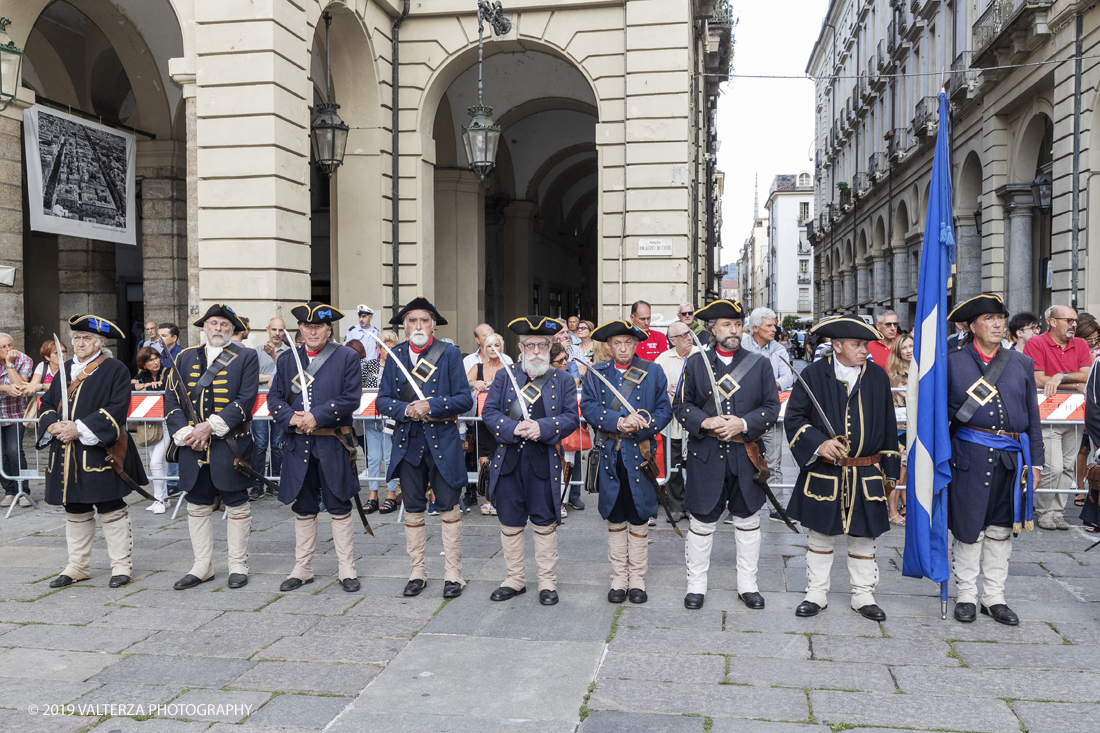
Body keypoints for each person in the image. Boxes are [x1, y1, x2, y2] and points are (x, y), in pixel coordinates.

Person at [784, 315, 901, 621]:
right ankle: (816, 593)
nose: (864, 350)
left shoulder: (877, 376)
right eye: (857, 344)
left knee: (864, 536)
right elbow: (795, 418)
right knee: (820, 536)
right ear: (836, 345)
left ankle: (863, 595)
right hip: (825, 472)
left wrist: (890, 472)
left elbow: (889, 426)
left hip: (866, 473)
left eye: (866, 344)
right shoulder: (812, 375)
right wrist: (818, 443)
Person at [673, 300, 780, 610]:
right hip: (706, 456)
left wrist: (743, 423)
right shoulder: (695, 363)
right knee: (702, 523)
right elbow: (681, 407)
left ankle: (748, 585)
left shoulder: (759, 364)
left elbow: (771, 408)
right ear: (712, 330)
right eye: (726, 325)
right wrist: (705, 422)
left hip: (745, 457)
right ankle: (697, 585)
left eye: (737, 324)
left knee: (747, 521)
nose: (734, 330)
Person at [947, 295, 1043, 625]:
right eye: (989, 319)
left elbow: (1032, 416)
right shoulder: (952, 361)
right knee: (968, 528)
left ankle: (993, 597)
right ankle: (966, 596)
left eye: (1001, 318)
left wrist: (1037, 463)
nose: (999, 324)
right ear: (972, 326)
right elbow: (941, 418)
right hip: (968, 457)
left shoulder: (1020, 363)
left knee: (1001, 529)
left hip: (1012, 461)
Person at [39, 315, 148, 588]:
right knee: (74, 508)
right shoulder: (64, 370)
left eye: (87, 338)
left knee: (111, 507)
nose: (80, 343)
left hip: (99, 450)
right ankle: (77, 566)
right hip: (64, 452)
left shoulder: (116, 370)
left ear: (101, 342)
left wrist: (78, 428)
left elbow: (116, 410)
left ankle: (120, 566)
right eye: (76, 338)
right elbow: (47, 404)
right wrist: (53, 425)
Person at [377, 297, 474, 599]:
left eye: (424, 320)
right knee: (414, 509)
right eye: (412, 321)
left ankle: (453, 574)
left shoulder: (449, 355)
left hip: (443, 441)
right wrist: (407, 410)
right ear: (404, 326)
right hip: (408, 443)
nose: (418, 325)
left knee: (448, 508)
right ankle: (417, 571)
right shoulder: (394, 356)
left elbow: (464, 399)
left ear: (433, 324)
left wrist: (431, 405)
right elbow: (382, 401)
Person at [269, 302, 364, 593]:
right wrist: (292, 418)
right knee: (304, 506)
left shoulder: (346, 356)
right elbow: (275, 399)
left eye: (319, 327)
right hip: (299, 444)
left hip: (332, 442)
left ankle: (346, 568)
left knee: (338, 505)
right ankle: (303, 568)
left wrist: (316, 416)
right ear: (300, 329)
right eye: (307, 327)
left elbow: (351, 399)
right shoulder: (287, 360)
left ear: (328, 329)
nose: (313, 331)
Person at [483, 317, 579, 605]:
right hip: (509, 458)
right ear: (521, 347)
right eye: (530, 345)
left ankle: (547, 581)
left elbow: (571, 417)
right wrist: (512, 428)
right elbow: (489, 412)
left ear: (550, 348)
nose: (536, 350)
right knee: (510, 522)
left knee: (544, 521)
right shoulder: (505, 375)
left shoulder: (561, 379)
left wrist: (543, 428)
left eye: (542, 345)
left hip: (543, 459)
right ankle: (514, 579)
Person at [165, 304, 259, 591]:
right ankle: (202, 565)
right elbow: (172, 400)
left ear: (233, 329)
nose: (218, 328)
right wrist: (187, 433)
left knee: (236, 503)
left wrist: (209, 426)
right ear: (204, 327)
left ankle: (237, 564)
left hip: (229, 445)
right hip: (193, 445)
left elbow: (245, 400)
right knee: (197, 503)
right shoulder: (184, 356)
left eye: (224, 325)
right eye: (213, 323)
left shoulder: (247, 357)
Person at [580, 320, 672, 605]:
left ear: (636, 345)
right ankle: (619, 578)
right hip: (611, 455)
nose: (623, 348)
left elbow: (664, 410)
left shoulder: (652, 371)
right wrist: (618, 422)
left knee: (639, 516)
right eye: (617, 343)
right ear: (609, 345)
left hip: (640, 457)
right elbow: (589, 408)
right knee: (616, 516)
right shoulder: (596, 373)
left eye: (628, 343)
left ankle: (638, 578)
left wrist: (640, 425)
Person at [1024, 304, 1091, 531]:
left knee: (1068, 467)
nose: (1074, 324)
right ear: (1052, 321)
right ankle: (1044, 512)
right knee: (1052, 467)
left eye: (1075, 321)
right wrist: (1073, 383)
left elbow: (1087, 375)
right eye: (1068, 320)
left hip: (1073, 416)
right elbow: (1039, 380)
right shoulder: (1036, 343)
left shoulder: (1080, 344)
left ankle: (1058, 513)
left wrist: (1060, 376)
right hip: (1045, 415)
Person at [740, 307, 796, 523]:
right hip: (744, 414)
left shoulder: (778, 350)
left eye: (775, 325)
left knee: (773, 461)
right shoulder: (742, 346)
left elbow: (788, 377)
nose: (775, 329)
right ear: (755, 328)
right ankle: (740, 505)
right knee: (742, 461)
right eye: (769, 325)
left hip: (770, 413)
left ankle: (777, 507)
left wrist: (772, 384)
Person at [655, 320, 700, 522]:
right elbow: (653, 387)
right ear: (672, 340)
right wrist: (666, 389)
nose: (689, 337)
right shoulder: (662, 360)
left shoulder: (701, 355)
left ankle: (693, 506)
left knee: (696, 466)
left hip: (697, 423)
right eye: (683, 335)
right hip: (672, 424)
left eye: (689, 333)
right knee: (673, 466)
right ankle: (675, 506)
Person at [468, 331, 508, 515]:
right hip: (483, 419)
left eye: (497, 345)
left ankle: (502, 497)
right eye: (490, 346)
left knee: (503, 456)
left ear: (502, 348)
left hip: (504, 418)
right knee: (484, 459)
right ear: (485, 348)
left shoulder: (509, 367)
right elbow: (463, 382)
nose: (493, 349)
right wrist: (474, 382)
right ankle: (488, 499)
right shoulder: (478, 367)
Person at [249, 317, 288, 500]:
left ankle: (273, 483)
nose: (277, 333)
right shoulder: (257, 351)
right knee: (260, 444)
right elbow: (250, 377)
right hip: (260, 404)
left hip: (281, 403)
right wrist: (272, 377)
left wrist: (276, 374)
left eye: (280, 330)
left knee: (276, 444)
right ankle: (257, 484)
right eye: (274, 329)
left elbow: (290, 374)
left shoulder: (289, 352)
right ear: (267, 330)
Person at [362, 329, 400, 514]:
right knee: (373, 458)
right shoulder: (369, 366)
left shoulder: (399, 368)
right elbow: (361, 388)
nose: (388, 351)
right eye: (385, 348)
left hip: (391, 419)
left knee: (390, 456)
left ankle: (391, 495)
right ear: (378, 348)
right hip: (371, 418)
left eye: (392, 348)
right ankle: (372, 495)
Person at [0, 333, 31, 507]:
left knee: (14, 450)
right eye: (3, 347)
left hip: (15, 414)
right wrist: (5, 388)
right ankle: (9, 491)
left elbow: (20, 386)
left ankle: (23, 491)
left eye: (9, 345)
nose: (8, 349)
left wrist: (10, 365)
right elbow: (9, 387)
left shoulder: (23, 359)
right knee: (0, 454)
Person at [885, 333, 913, 527]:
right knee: (897, 474)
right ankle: (893, 511)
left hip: (914, 430)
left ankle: (905, 508)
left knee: (909, 473)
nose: (909, 350)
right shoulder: (895, 376)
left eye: (912, 346)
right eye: (905, 347)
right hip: (899, 432)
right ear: (898, 352)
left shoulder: (921, 370)